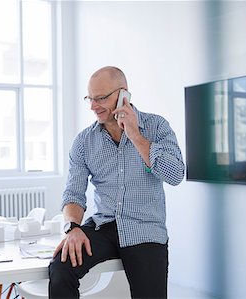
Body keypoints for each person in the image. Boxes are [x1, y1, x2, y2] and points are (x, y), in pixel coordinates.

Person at [49, 66, 185, 299]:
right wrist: (73, 228)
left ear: (124, 94)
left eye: (101, 98)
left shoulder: (156, 127)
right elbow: (73, 193)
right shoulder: (84, 142)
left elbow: (175, 175)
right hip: (104, 227)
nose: (93, 106)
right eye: (90, 99)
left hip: (145, 229)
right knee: (61, 268)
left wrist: (134, 135)